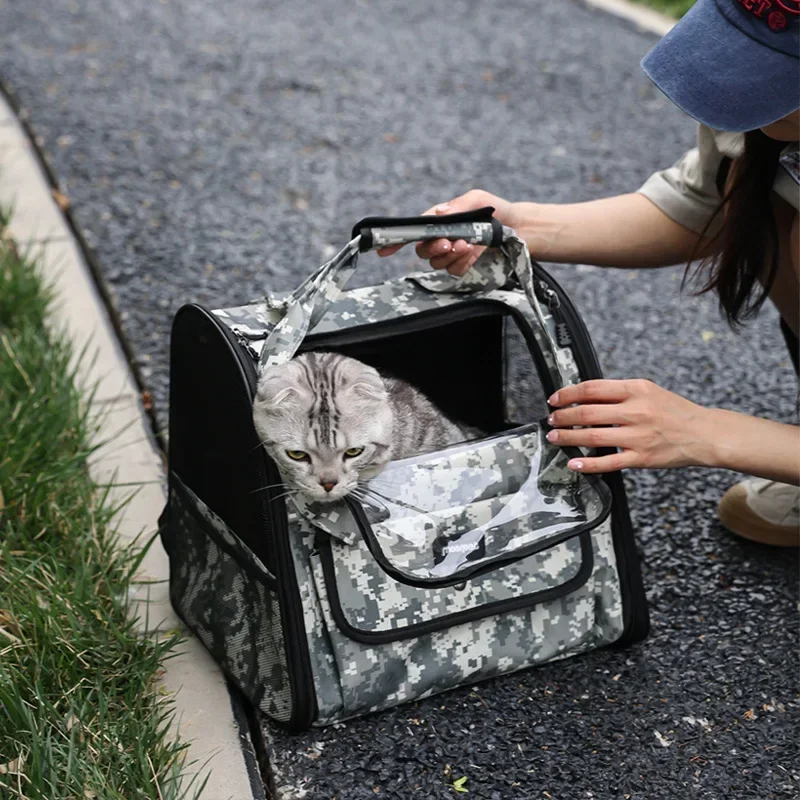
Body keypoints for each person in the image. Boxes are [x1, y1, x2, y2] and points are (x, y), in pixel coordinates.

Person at [379, 0, 800, 547]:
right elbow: (703, 203)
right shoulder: (766, 125)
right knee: (757, 191)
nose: (736, 90)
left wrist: (705, 434)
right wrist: (520, 225)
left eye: (771, 74)